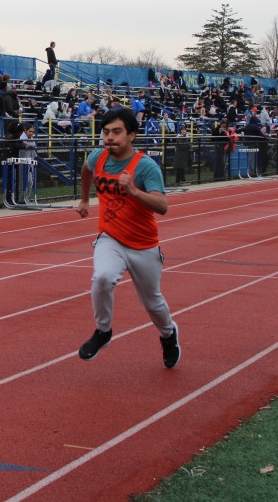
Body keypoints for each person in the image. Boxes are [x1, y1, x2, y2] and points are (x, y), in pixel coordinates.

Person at [75, 107, 180, 369]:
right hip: (110, 238)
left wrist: (133, 191)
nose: (109, 137)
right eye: (106, 132)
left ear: (131, 135)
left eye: (116, 132)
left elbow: (162, 206)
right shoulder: (98, 157)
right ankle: (103, 331)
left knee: (153, 302)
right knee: (102, 277)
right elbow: (86, 170)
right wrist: (85, 199)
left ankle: (168, 334)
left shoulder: (145, 166)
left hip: (143, 245)